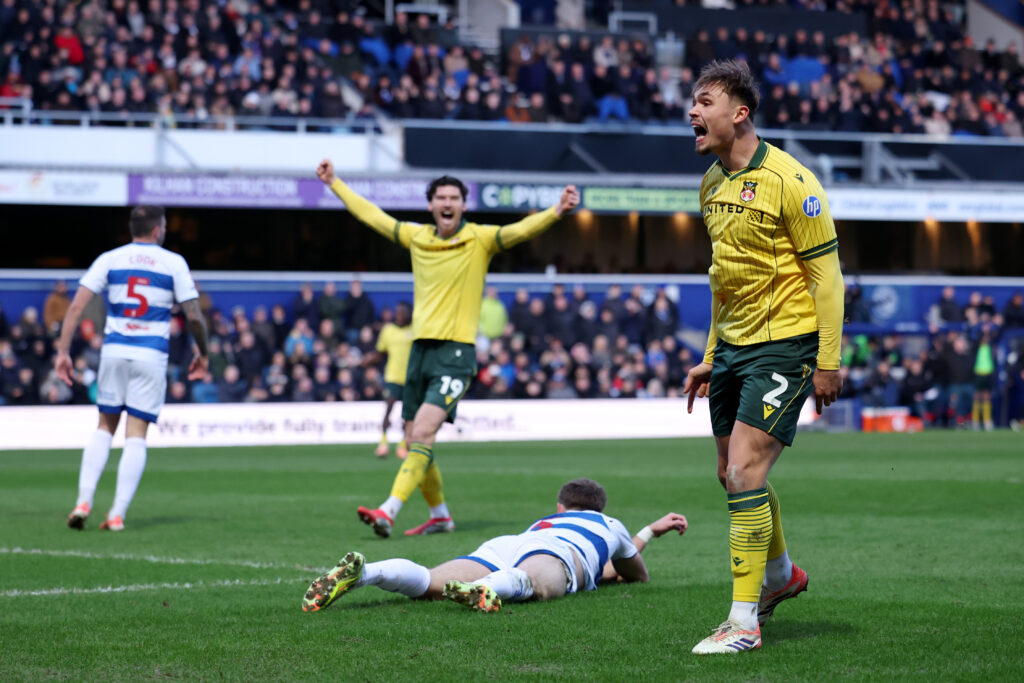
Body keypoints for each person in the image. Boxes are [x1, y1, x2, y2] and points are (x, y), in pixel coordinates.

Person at [316, 159, 579, 538]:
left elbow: (518, 231)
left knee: (421, 433)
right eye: (441, 197)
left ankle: (389, 511)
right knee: (415, 438)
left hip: (456, 354)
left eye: (454, 197)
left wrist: (555, 211)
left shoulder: (480, 239)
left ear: (463, 204)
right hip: (419, 353)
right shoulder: (416, 237)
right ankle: (440, 516)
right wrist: (334, 183)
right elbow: (371, 215)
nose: (448, 203)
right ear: (431, 205)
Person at [683, 60, 844, 654]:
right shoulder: (710, 184)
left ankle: (743, 623)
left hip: (787, 343)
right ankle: (781, 577)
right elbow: (722, 280)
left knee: (747, 472)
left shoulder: (791, 180)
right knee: (731, 475)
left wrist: (828, 361)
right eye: (692, 102)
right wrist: (710, 353)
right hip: (733, 348)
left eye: (704, 101)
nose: (693, 113)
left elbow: (826, 278)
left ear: (739, 112)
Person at [301, 478, 688, 613]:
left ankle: (368, 572)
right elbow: (633, 573)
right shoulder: (610, 525)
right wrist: (650, 531)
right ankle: (488, 590)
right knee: (535, 584)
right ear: (600, 509)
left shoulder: (547, 519)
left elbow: (610, 570)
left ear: (560, 506)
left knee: (428, 583)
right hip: (557, 552)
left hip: (511, 544)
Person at [55, 206, 209, 531]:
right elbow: (194, 316)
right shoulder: (173, 262)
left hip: (113, 351)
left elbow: (77, 306)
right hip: (150, 355)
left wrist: (63, 351)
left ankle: (83, 500)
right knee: (136, 434)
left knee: (104, 427)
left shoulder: (111, 258)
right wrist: (203, 352)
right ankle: (116, 514)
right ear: (158, 230)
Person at [362, 301, 414, 460]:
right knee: (389, 407)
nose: (399, 315)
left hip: (410, 378)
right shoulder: (388, 330)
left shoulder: (415, 330)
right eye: (397, 312)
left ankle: (402, 445)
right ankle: (383, 443)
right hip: (392, 376)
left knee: (407, 414)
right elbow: (381, 353)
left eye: (402, 312)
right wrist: (369, 361)